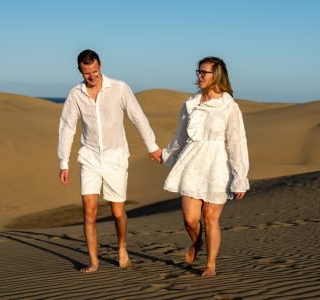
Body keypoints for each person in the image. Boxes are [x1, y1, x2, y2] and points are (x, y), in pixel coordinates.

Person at [58, 49, 162, 273]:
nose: (92, 77)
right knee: (89, 211)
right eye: (87, 73)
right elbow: (67, 128)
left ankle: (122, 246)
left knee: (117, 213)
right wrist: (63, 162)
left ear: (100, 66)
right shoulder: (75, 94)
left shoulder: (119, 88)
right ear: (80, 71)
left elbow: (137, 116)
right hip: (90, 157)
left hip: (116, 157)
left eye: (94, 71)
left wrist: (152, 146)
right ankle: (93, 262)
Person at [162, 56, 249, 276]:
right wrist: (166, 155)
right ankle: (197, 243)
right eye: (198, 72)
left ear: (217, 75)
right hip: (192, 162)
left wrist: (240, 177)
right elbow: (180, 136)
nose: (199, 76)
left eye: (204, 72)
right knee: (190, 220)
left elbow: (237, 142)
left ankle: (210, 265)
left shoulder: (229, 107)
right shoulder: (191, 104)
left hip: (218, 164)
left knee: (210, 217)